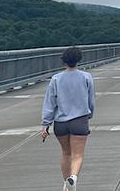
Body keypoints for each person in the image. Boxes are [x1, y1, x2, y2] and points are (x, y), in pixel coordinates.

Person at [40, 47, 95, 191]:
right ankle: (73, 178)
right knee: (78, 155)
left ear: (63, 61)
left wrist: (46, 124)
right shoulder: (86, 77)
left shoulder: (56, 79)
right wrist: (89, 114)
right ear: (78, 60)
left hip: (61, 123)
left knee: (66, 153)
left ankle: (66, 184)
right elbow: (91, 101)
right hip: (80, 120)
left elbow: (50, 102)